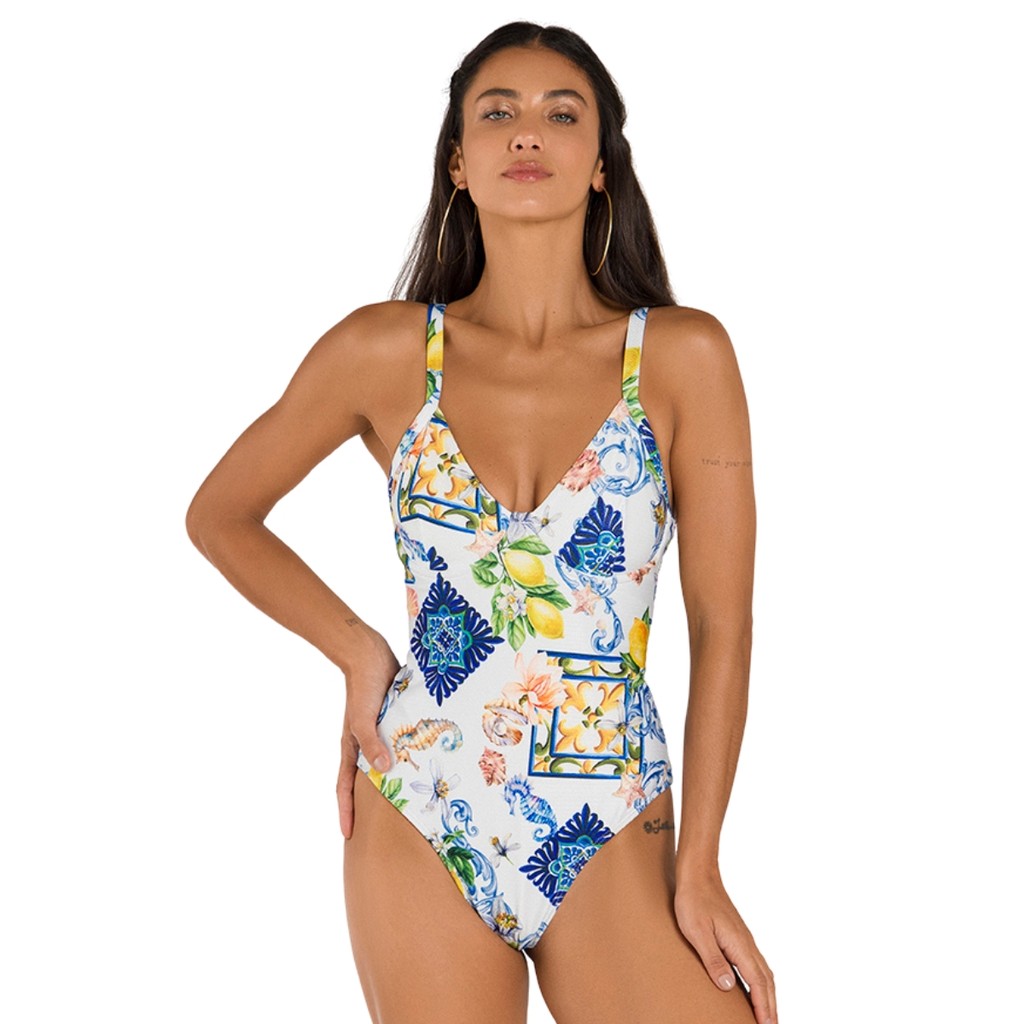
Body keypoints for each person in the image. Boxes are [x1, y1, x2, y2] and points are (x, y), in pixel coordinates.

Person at [186, 20, 775, 1024]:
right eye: (497, 113)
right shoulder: (384, 352)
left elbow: (722, 627)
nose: (527, 132)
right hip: (421, 798)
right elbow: (221, 514)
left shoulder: (683, 358)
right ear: (458, 161)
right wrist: (357, 650)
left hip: (611, 813)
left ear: (602, 162)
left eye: (561, 113)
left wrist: (703, 862)